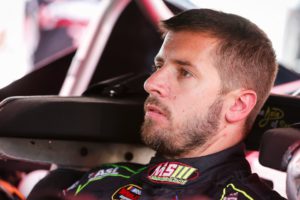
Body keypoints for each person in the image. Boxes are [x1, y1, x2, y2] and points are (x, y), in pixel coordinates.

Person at [28, 8, 285, 199]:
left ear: (238, 105)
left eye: (185, 72)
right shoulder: (102, 178)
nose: (151, 83)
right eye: (158, 66)